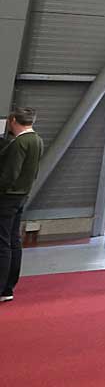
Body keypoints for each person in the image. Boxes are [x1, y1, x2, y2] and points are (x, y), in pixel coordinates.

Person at [0, 107, 43, 302]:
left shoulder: (20, 143)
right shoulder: (37, 140)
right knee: (14, 240)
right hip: (22, 195)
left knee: (2, 242)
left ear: (13, 121)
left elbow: (10, 174)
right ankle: (8, 287)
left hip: (8, 197)